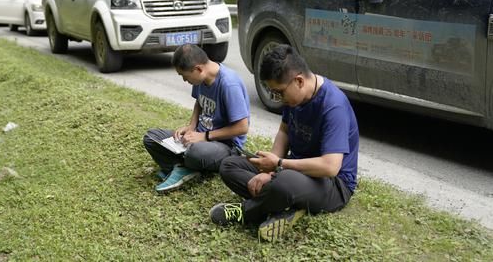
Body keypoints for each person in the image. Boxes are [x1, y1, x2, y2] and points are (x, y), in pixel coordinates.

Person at [210, 44, 359, 242]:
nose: (277, 99)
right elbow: (284, 131)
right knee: (230, 165)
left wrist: (278, 166)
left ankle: (246, 212)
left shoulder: (333, 106)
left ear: (298, 81)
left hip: (332, 185)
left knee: (284, 183)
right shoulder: (293, 100)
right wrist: (269, 171)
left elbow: (330, 167)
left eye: (279, 92)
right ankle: (285, 205)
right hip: (294, 170)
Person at [143, 44, 250, 193]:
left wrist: (203, 136)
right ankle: (184, 168)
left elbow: (242, 127)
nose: (184, 80)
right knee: (151, 137)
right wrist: (191, 127)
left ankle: (185, 166)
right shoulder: (201, 79)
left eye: (184, 76)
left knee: (195, 151)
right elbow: (199, 102)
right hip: (199, 138)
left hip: (226, 146)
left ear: (198, 69)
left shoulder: (229, 84)